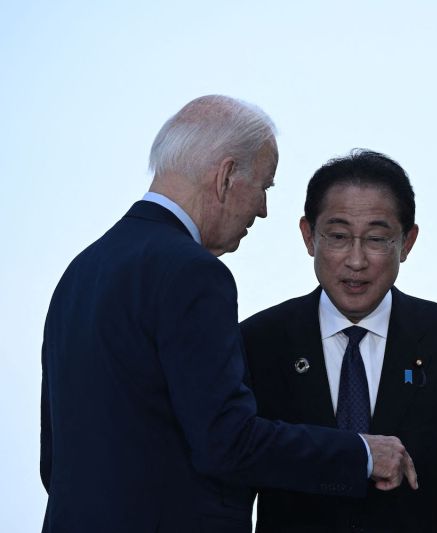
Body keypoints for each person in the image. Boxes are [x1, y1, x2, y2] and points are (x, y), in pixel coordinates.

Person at [40, 96, 416, 533]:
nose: (262, 209)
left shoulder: (82, 270)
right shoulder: (194, 273)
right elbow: (227, 442)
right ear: (225, 177)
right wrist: (362, 454)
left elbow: (55, 459)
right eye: (264, 186)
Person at [241, 149, 437, 532]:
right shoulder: (260, 341)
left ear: (407, 242)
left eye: (377, 239)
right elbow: (232, 486)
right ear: (308, 236)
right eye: (337, 236)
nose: (356, 260)